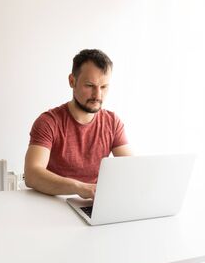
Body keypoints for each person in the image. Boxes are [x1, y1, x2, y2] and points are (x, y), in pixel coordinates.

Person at [24, 49, 132, 199]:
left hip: (94, 204)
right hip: (54, 204)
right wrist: (79, 188)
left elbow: (132, 169)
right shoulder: (48, 122)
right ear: (72, 81)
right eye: (89, 86)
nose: (97, 96)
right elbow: (32, 174)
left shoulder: (113, 122)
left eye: (103, 87)